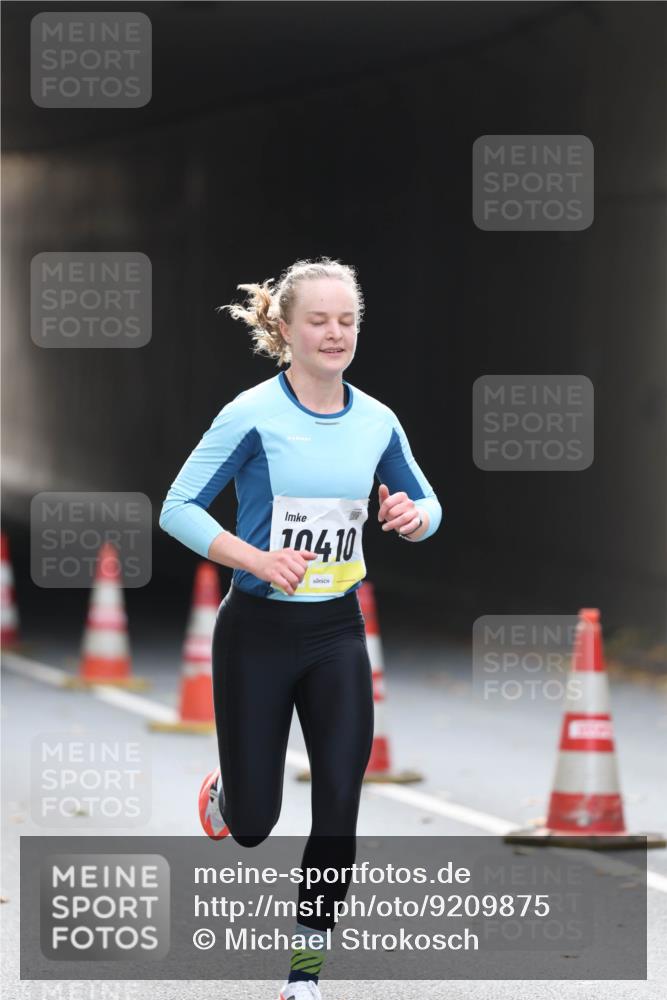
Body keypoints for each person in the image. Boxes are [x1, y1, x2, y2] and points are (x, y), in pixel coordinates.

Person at [159, 257, 442, 1000]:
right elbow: (178, 508)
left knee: (339, 806)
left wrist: (412, 517)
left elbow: (428, 503)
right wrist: (256, 558)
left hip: (337, 633)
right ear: (284, 329)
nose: (335, 333)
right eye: (318, 320)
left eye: (347, 320)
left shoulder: (376, 420)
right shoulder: (251, 414)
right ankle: (229, 793)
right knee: (255, 823)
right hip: (255, 631)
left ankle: (303, 975)